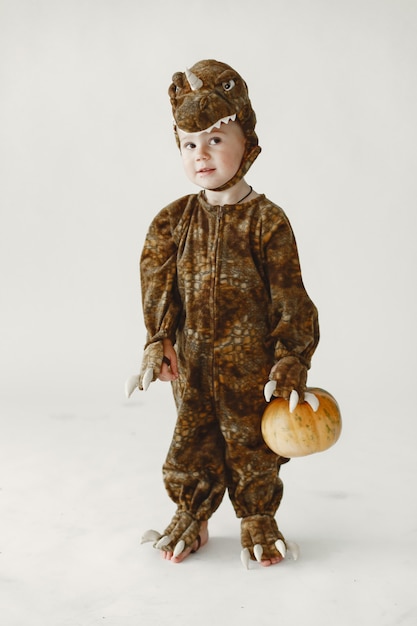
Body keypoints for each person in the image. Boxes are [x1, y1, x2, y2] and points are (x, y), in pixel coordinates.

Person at [134, 59, 319, 567]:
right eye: (189, 143)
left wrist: (290, 359)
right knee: (190, 441)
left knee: (253, 445)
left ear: (247, 143)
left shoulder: (266, 221)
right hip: (192, 370)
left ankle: (258, 517)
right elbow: (159, 287)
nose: (201, 155)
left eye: (215, 139)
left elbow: (290, 295)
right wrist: (158, 342)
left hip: (250, 370)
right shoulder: (173, 222)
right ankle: (191, 514)